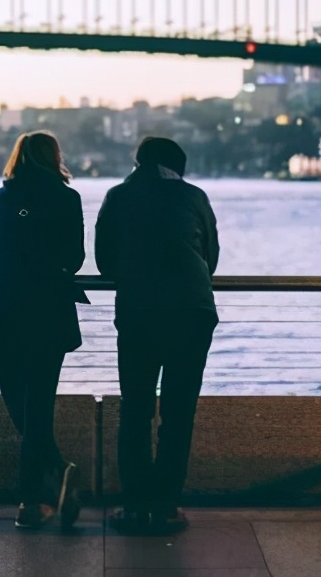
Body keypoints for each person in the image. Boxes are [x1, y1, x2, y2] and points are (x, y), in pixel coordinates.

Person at [95, 136, 219, 535]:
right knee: (179, 413)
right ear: (178, 168)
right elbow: (210, 258)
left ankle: (134, 506)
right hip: (192, 312)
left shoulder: (118, 196)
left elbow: (103, 261)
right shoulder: (194, 196)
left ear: (139, 162)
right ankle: (166, 506)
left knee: (135, 409)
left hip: (139, 313)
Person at [0, 131, 87, 529]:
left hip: (2, 307)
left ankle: (44, 487)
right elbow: (74, 257)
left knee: (17, 401)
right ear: (55, 157)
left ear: (18, 158)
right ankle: (32, 499)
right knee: (39, 402)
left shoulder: (3, 197)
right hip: (47, 311)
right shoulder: (67, 198)